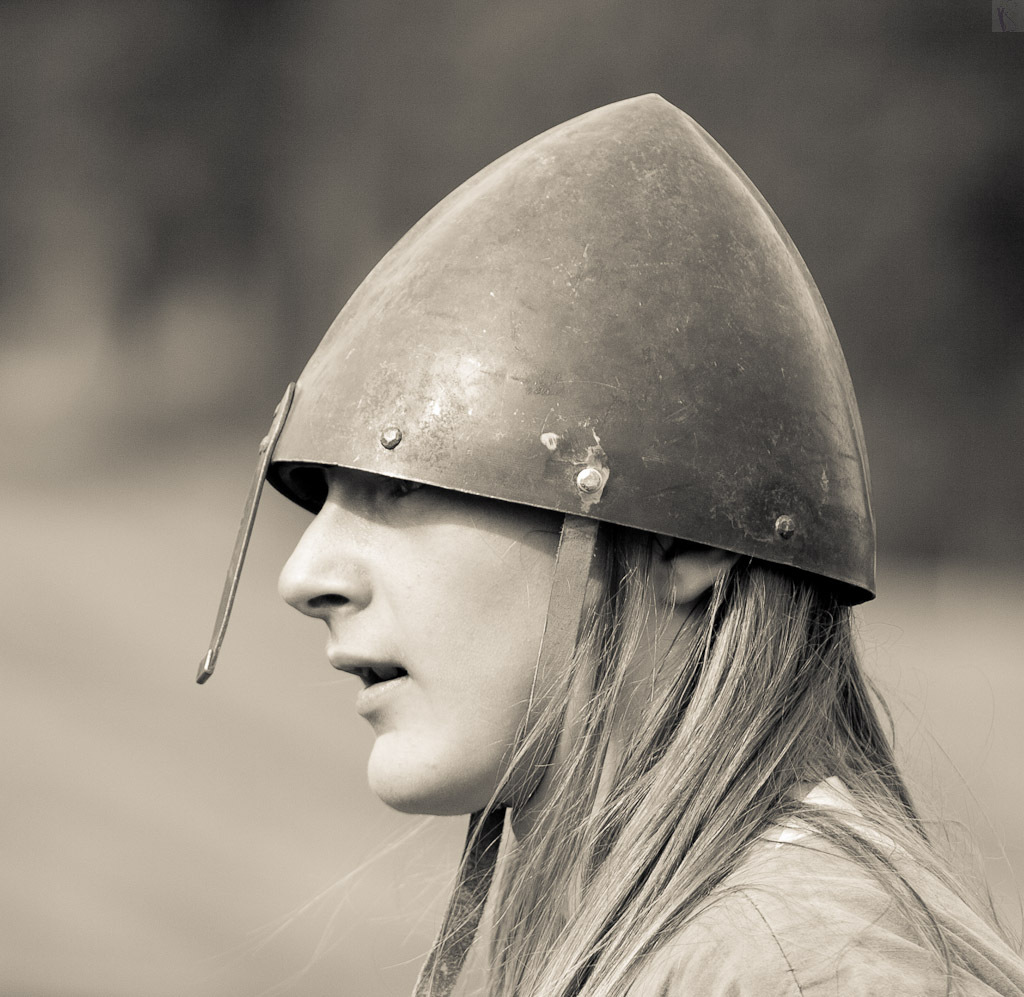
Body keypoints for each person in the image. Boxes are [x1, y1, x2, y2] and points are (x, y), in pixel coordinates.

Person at [197, 95, 1024, 996]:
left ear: (681, 541)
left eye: (397, 486)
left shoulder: (803, 971)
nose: (304, 574)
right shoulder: (690, 943)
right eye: (322, 502)